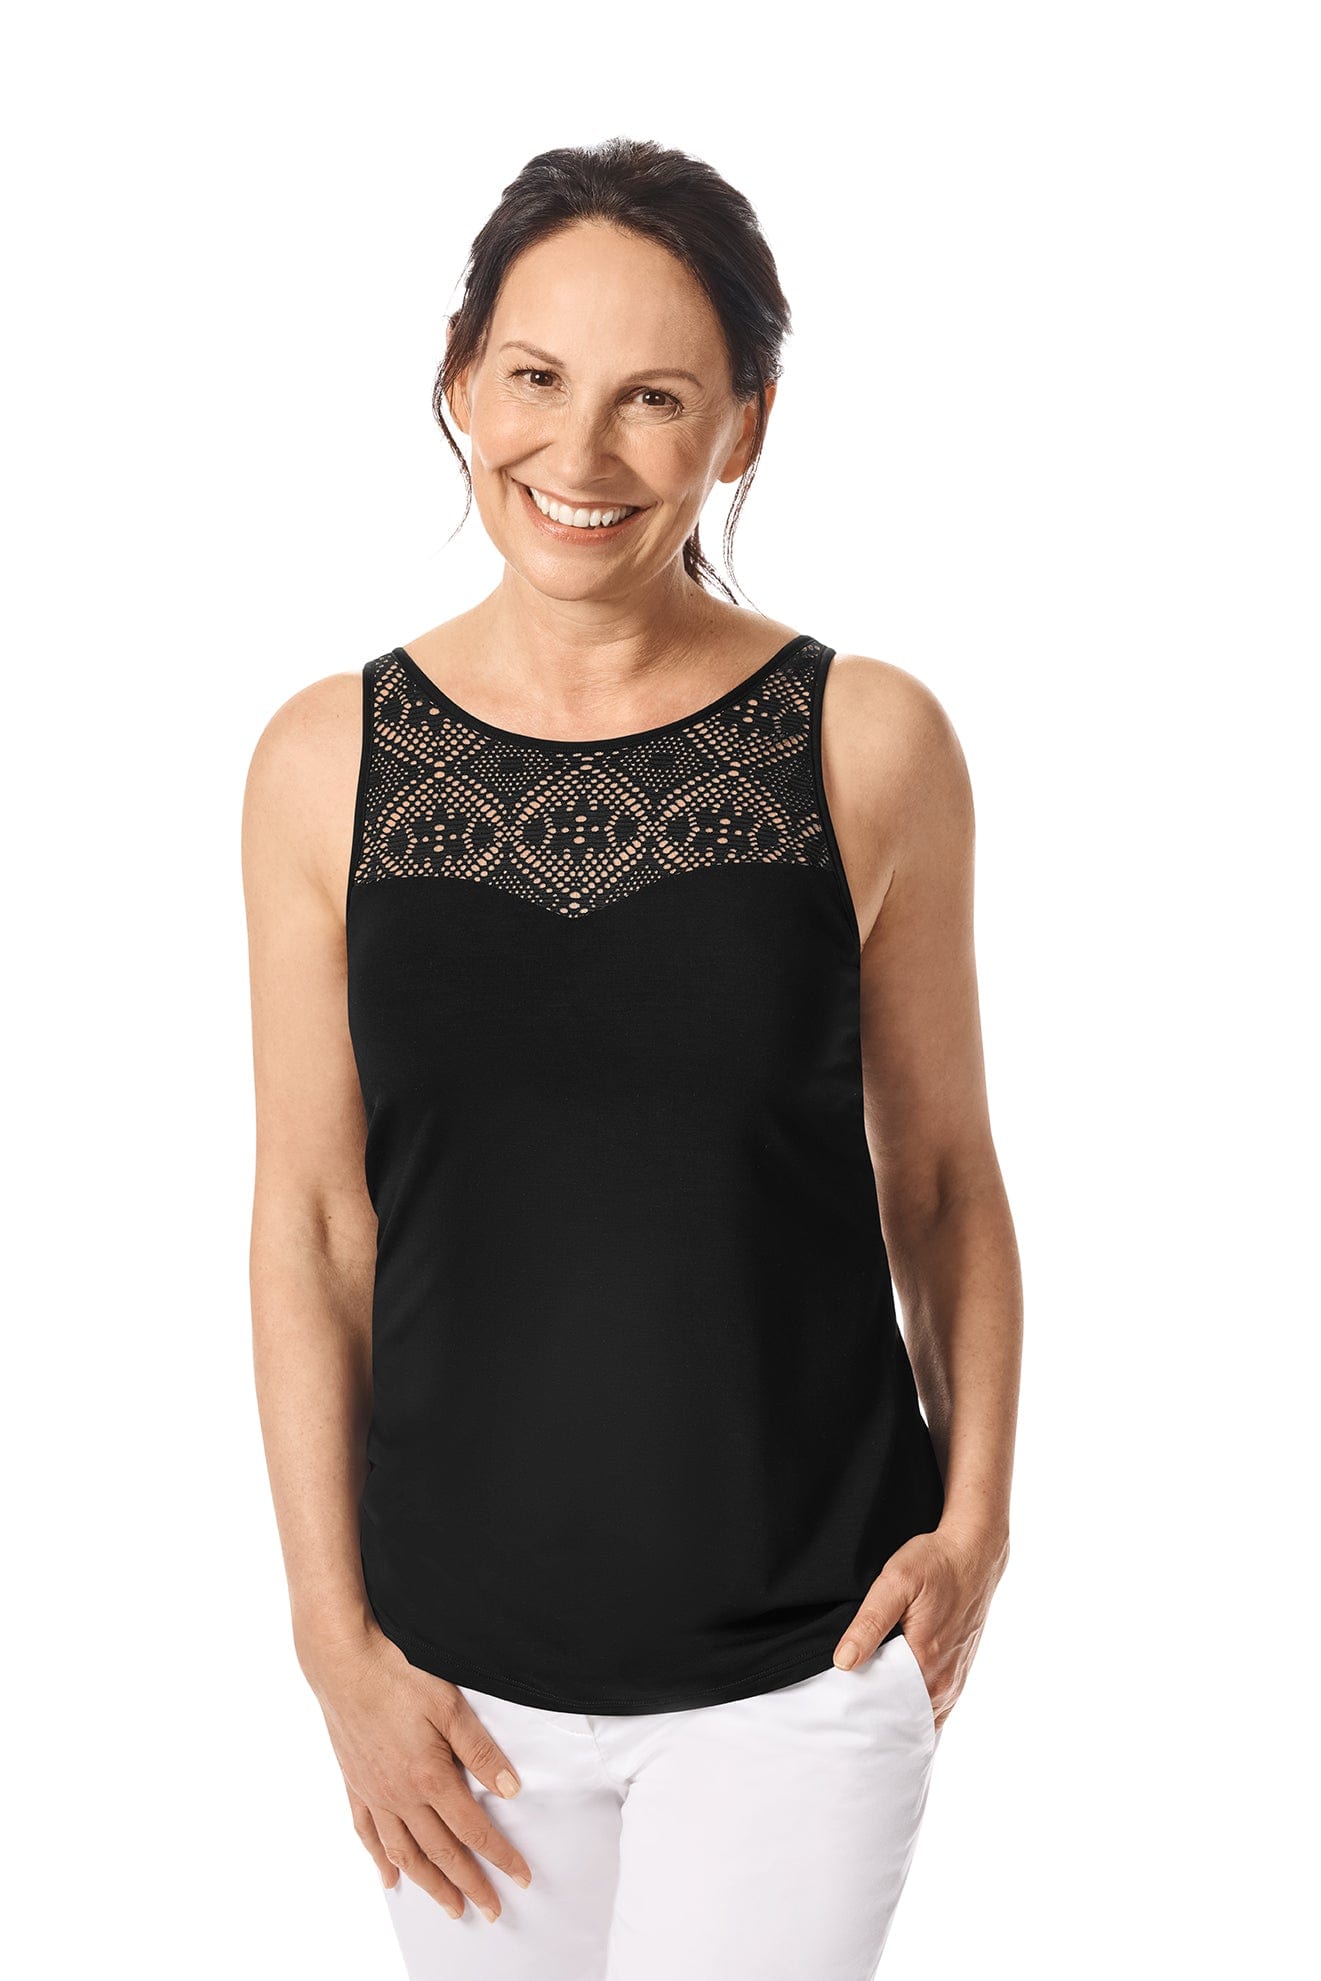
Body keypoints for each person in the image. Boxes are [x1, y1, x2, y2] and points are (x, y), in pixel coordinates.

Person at [242, 136, 1022, 1980]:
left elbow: (937, 1180)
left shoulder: (867, 740)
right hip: (452, 1683)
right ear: (461, 378)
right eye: (534, 377)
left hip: (804, 1660)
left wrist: (977, 1523)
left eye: (654, 398)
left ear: (742, 426)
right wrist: (334, 1643)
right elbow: (313, 1224)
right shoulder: (322, 761)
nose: (578, 455)